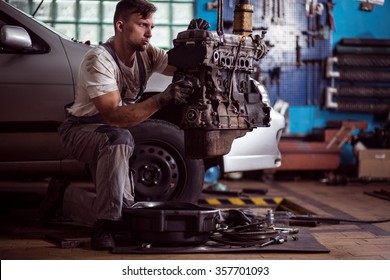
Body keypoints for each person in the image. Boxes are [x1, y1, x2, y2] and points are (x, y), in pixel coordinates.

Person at [39, 0, 192, 250]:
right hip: (81, 131)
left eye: (152, 26)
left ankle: (65, 197)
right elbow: (113, 117)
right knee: (119, 139)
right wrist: (162, 98)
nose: (150, 32)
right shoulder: (98, 60)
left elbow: (181, 66)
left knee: (127, 210)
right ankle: (105, 225)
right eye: (143, 25)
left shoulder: (148, 53)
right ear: (121, 25)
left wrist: (196, 46)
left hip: (115, 134)